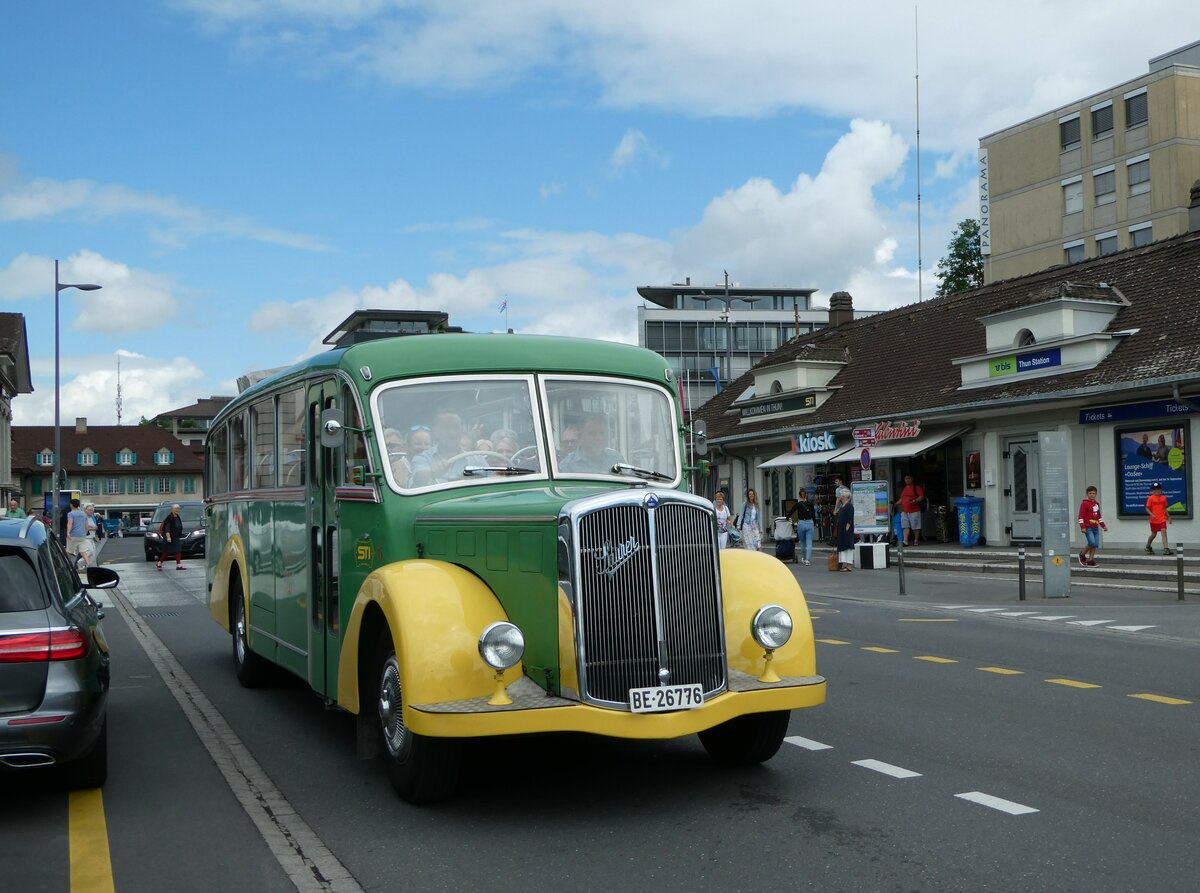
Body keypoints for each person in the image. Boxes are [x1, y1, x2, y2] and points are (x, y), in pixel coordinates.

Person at [408, 412, 472, 487]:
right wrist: (431, 473)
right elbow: (419, 479)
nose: (452, 432)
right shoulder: (422, 458)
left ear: (461, 431)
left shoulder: (477, 458)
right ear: (435, 432)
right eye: (446, 428)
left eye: (456, 427)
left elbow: (488, 477)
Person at [1077, 485, 1107, 568]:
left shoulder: (1096, 504)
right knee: (1092, 542)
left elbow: (1098, 516)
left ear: (1096, 494)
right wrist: (1082, 527)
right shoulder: (1084, 503)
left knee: (1095, 544)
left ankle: (1090, 560)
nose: (1092, 495)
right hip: (1088, 526)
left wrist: (1103, 526)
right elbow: (1080, 516)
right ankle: (1082, 554)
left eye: (1094, 493)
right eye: (1090, 493)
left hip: (1095, 527)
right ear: (1087, 494)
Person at [894, 474, 925, 546]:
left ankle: (916, 540)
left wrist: (915, 501)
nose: (907, 480)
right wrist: (896, 504)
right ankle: (905, 541)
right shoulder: (904, 488)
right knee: (905, 526)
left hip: (914, 510)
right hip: (905, 511)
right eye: (905, 479)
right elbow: (902, 499)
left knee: (915, 526)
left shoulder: (916, 487)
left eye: (909, 478)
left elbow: (921, 496)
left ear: (912, 479)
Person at [789, 488, 816, 566]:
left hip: (801, 523)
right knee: (809, 542)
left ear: (799, 495)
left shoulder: (797, 504)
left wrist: (787, 518)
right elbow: (813, 515)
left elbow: (791, 512)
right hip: (809, 522)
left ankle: (804, 558)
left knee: (803, 542)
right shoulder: (810, 504)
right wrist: (814, 523)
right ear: (806, 495)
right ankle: (807, 560)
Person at [1144, 482, 1170, 555]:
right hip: (1154, 520)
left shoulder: (1163, 498)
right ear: (1152, 491)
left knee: (1164, 532)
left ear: (1161, 490)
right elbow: (1147, 508)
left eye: (1158, 489)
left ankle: (1166, 548)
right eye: (1154, 489)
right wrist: (1151, 514)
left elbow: (1164, 508)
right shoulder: (1150, 498)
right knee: (1153, 534)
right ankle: (1148, 546)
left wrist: (1169, 517)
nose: (1156, 491)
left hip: (1162, 519)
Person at [158, 503, 185, 571]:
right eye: (176, 508)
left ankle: (178, 565)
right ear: (172, 509)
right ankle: (159, 563)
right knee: (166, 552)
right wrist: (168, 537)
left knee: (178, 550)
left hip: (176, 537)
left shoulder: (177, 517)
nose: (177, 510)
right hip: (170, 537)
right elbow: (167, 528)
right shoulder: (169, 517)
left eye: (178, 508)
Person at [65, 498, 91, 568]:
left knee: (69, 552)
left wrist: (68, 533)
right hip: (82, 536)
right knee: (83, 552)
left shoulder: (70, 514)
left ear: (71, 505)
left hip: (73, 535)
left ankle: (68, 567)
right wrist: (85, 533)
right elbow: (86, 526)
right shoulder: (83, 514)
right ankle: (88, 565)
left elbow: (70, 523)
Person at [834, 487, 856, 571]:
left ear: (844, 497)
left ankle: (849, 565)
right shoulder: (843, 506)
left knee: (848, 546)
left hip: (846, 529)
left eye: (841, 495)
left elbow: (850, 518)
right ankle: (844, 564)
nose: (839, 497)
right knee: (843, 545)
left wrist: (847, 528)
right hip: (841, 529)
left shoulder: (849, 506)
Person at [737, 488, 763, 553]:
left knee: (757, 543)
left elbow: (759, 518)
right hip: (746, 525)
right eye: (750, 494)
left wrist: (761, 528)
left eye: (752, 494)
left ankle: (757, 557)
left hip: (754, 526)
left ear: (754, 495)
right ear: (748, 496)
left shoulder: (757, 505)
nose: (751, 495)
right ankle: (751, 557)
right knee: (749, 543)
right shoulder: (745, 504)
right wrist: (738, 525)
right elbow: (741, 515)